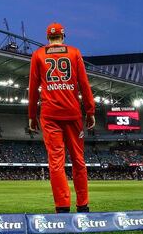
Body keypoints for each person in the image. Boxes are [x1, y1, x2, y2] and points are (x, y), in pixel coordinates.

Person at [28, 22, 96, 213]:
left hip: (49, 114)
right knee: (78, 160)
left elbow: (33, 88)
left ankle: (62, 207)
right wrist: (90, 111)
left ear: (47, 37)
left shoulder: (38, 54)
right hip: (73, 112)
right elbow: (84, 84)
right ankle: (83, 205)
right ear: (63, 36)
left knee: (56, 162)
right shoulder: (74, 53)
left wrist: (32, 115)